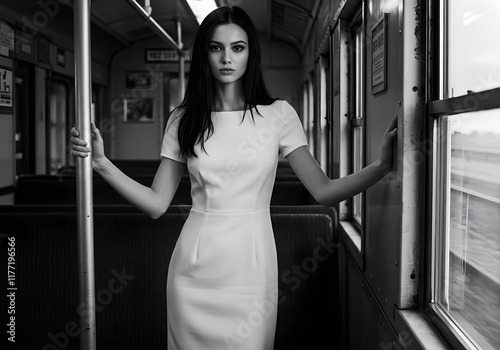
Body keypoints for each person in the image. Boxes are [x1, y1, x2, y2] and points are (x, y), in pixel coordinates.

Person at [70, 6, 397, 350]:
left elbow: (325, 191)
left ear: (250, 54)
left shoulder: (279, 115)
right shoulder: (182, 119)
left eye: (237, 48)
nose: (227, 58)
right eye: (216, 48)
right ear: (204, 55)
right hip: (192, 271)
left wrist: (381, 166)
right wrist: (101, 162)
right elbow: (156, 204)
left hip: (252, 270)